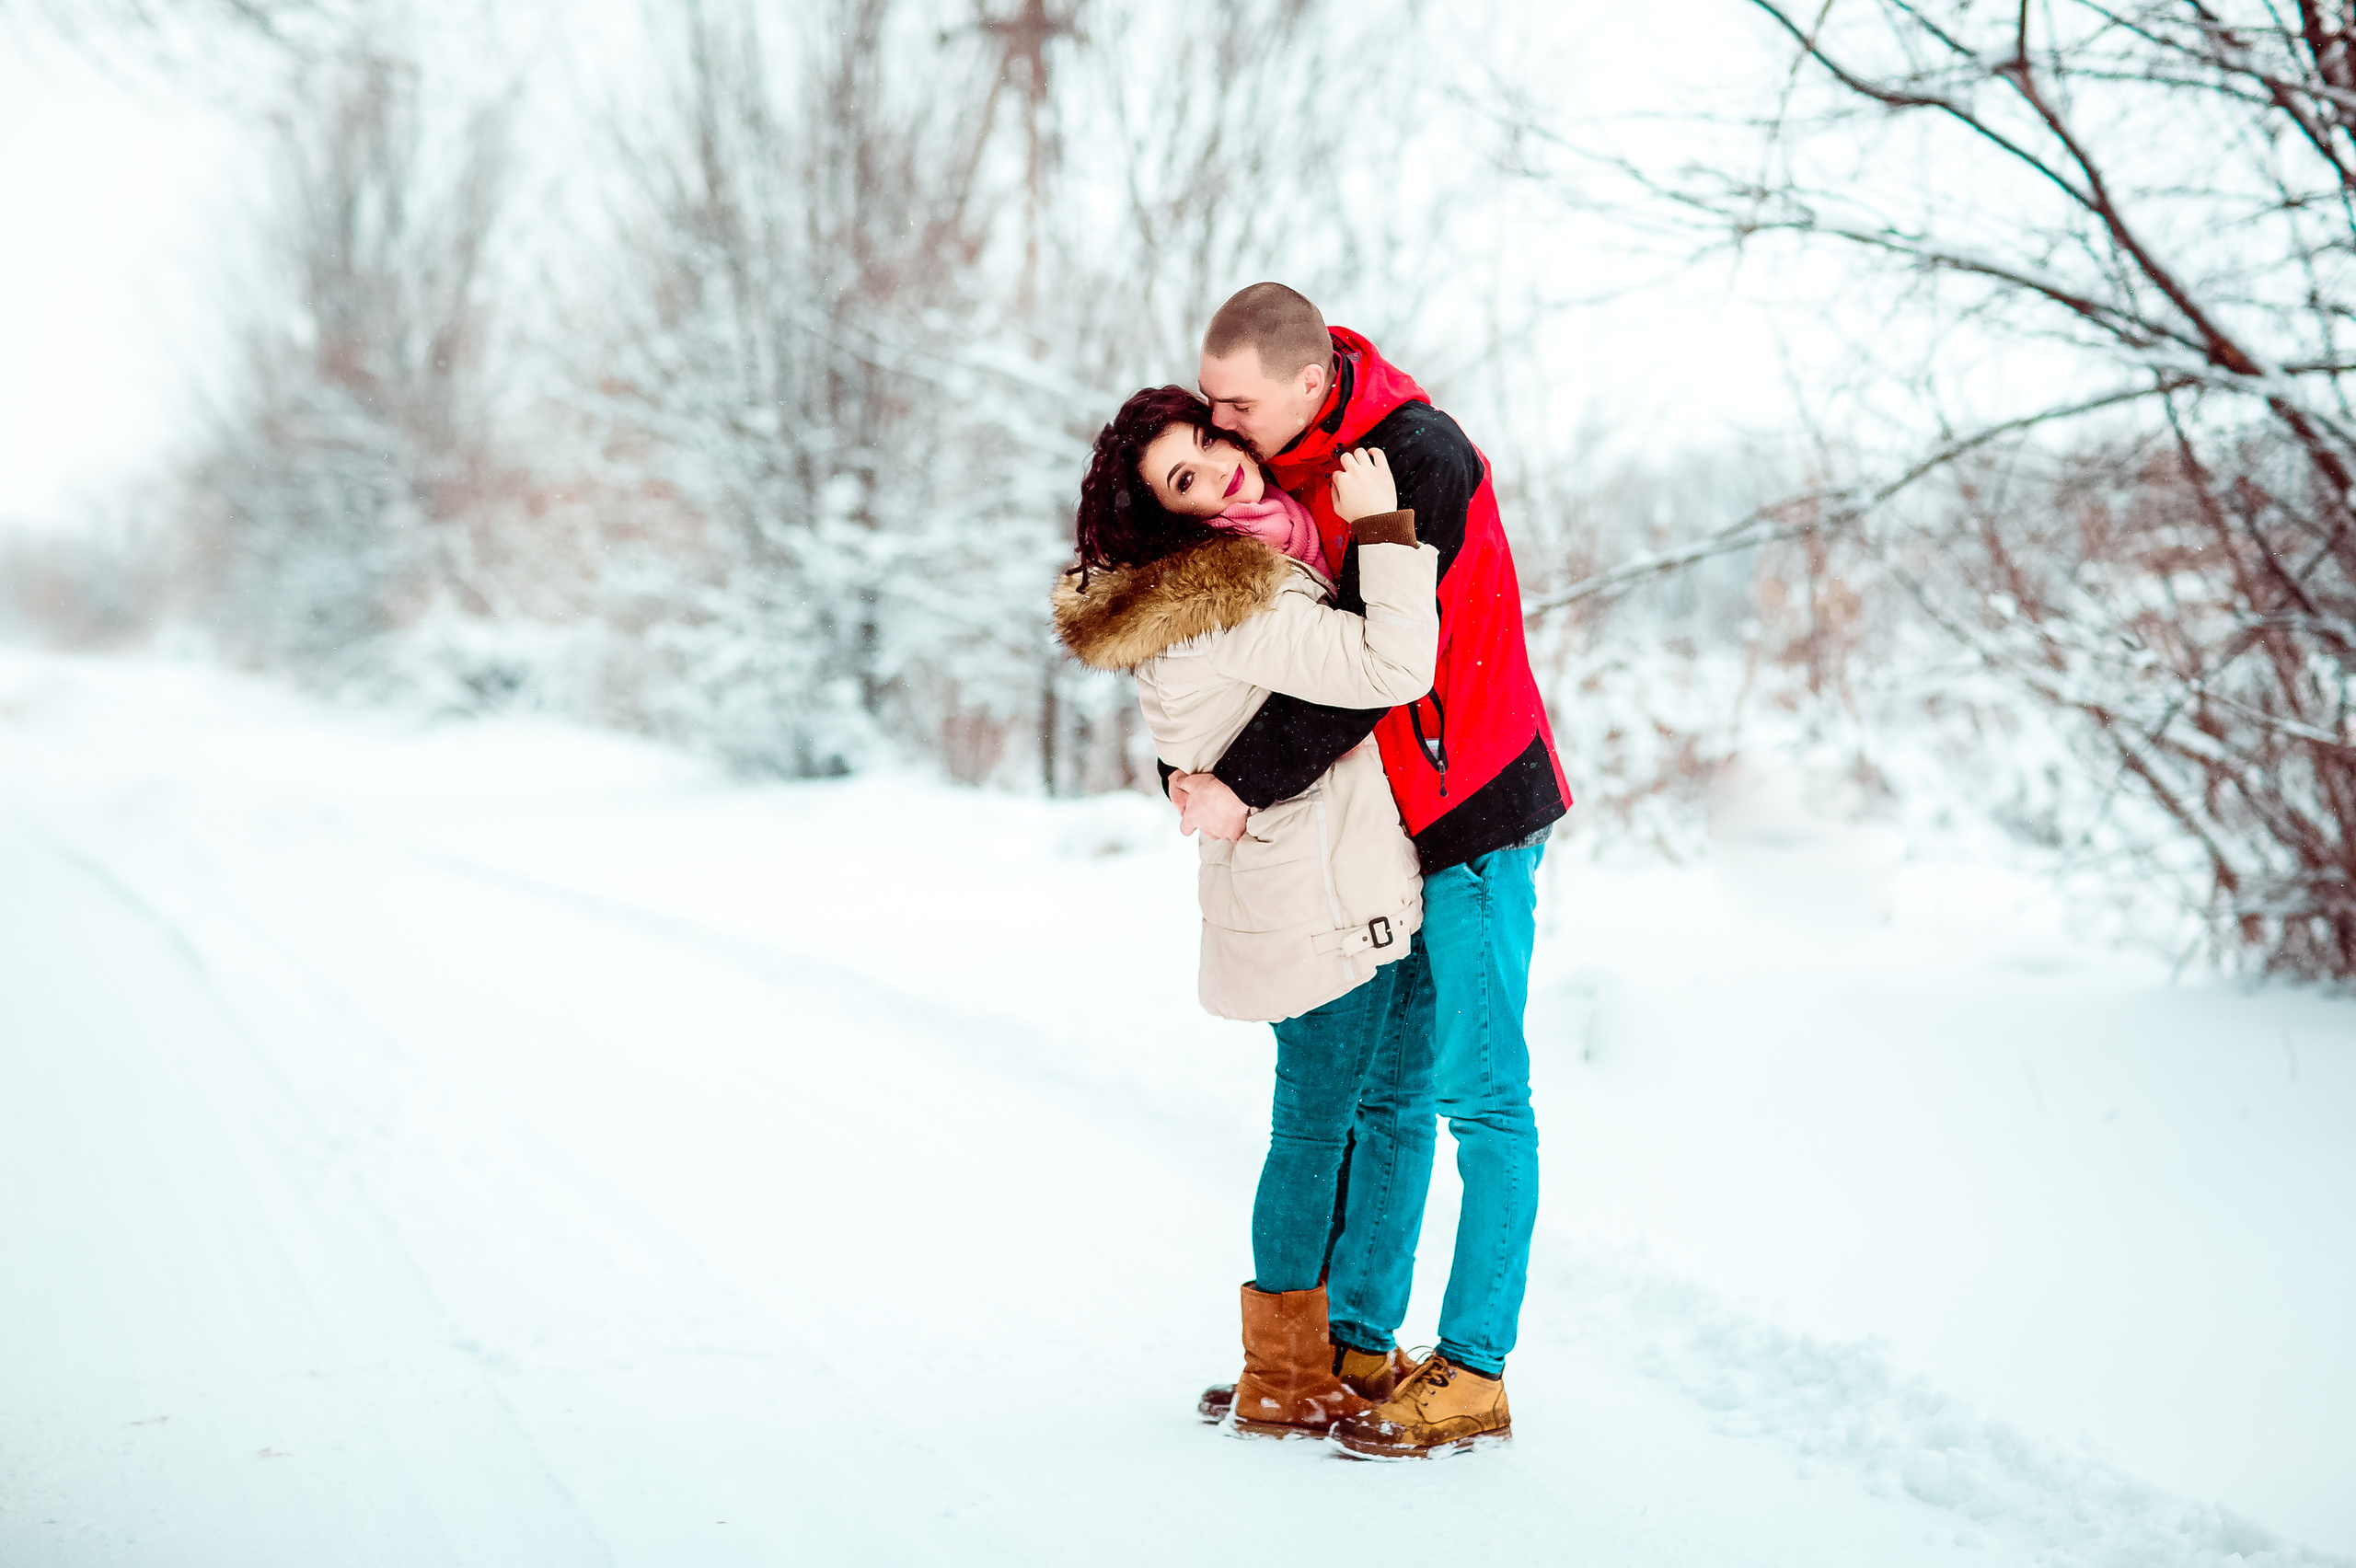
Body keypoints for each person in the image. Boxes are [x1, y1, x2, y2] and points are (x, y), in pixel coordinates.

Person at [1177, 282, 1570, 1460]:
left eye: (1234, 403)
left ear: (1306, 384)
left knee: (1482, 1098)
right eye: (1209, 402)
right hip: (1393, 829)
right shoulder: (1296, 461)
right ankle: (1355, 1340)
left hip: (1479, 813)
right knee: (1386, 1098)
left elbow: (1368, 668)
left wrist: (1235, 785)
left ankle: (1476, 1369)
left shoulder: (1417, 458)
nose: (1220, 425)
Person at [1053, 385, 1438, 1440]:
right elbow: (1394, 664)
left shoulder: (1230, 579)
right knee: (1317, 1130)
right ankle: (1280, 1376)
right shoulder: (1231, 593)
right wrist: (1384, 533)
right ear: (1173, 516)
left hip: (1307, 882)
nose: (1221, 468)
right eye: (1186, 476)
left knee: (1330, 1124)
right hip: (1314, 896)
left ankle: (1312, 1362)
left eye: (1211, 443)